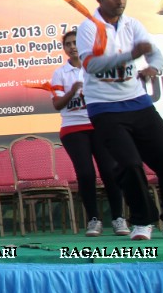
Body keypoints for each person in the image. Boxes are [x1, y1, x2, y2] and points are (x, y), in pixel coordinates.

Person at [76, 0, 163, 240]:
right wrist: (129, 55)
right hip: (105, 108)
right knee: (129, 164)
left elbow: (154, 52)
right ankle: (142, 221)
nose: (120, 1)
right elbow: (91, 65)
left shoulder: (133, 24)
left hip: (139, 103)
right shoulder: (87, 28)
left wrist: (154, 67)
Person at [51, 30, 129, 237]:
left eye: (76, 42)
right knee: (86, 174)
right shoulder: (60, 73)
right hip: (73, 129)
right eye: (68, 44)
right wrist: (72, 90)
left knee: (110, 171)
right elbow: (57, 104)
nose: (73, 46)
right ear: (64, 48)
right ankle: (93, 219)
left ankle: (118, 218)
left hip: (100, 125)